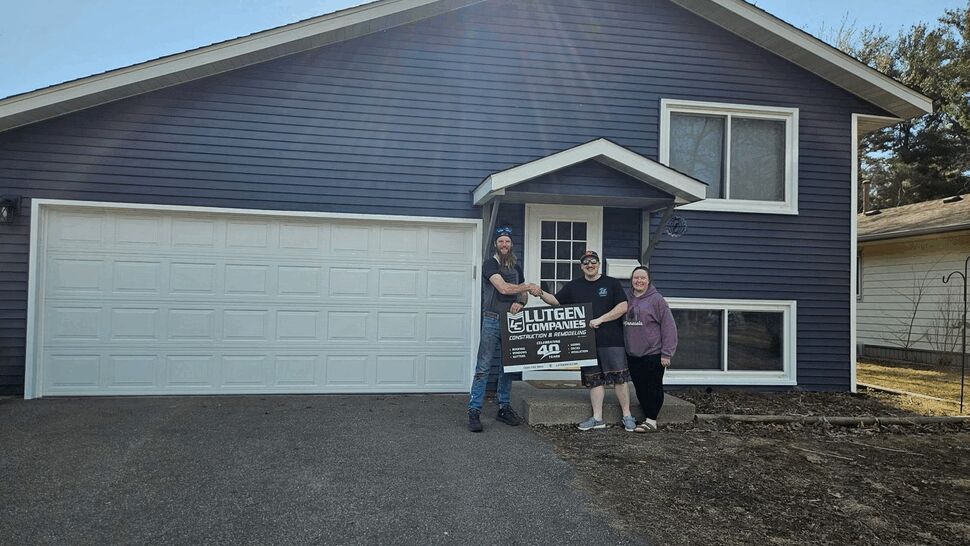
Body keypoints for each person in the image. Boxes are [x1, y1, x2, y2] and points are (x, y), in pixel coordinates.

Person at [534, 250, 636, 432]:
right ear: (581, 266)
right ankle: (598, 418)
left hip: (611, 339)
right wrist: (540, 292)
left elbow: (623, 306)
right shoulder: (574, 286)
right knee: (594, 380)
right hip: (586, 342)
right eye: (586, 262)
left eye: (593, 261)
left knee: (619, 379)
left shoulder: (611, 283)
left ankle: (627, 416)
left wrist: (601, 319)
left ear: (598, 264)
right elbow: (556, 301)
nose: (590, 265)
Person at [467, 226, 539, 433]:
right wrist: (527, 288)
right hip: (492, 320)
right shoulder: (490, 264)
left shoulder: (516, 267)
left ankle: (503, 407)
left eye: (507, 241)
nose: (504, 244)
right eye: (501, 241)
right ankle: (474, 411)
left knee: (509, 366)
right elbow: (503, 288)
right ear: (496, 245)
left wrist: (522, 303)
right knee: (483, 367)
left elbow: (522, 294)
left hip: (512, 322)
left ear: (511, 244)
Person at [623, 266, 678, 432]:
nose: (639, 281)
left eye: (642, 278)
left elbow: (669, 327)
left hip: (653, 353)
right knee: (640, 387)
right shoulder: (626, 298)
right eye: (636, 278)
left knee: (653, 387)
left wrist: (667, 353)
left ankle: (652, 420)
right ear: (631, 280)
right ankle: (647, 417)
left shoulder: (657, 300)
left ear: (648, 281)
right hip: (633, 353)